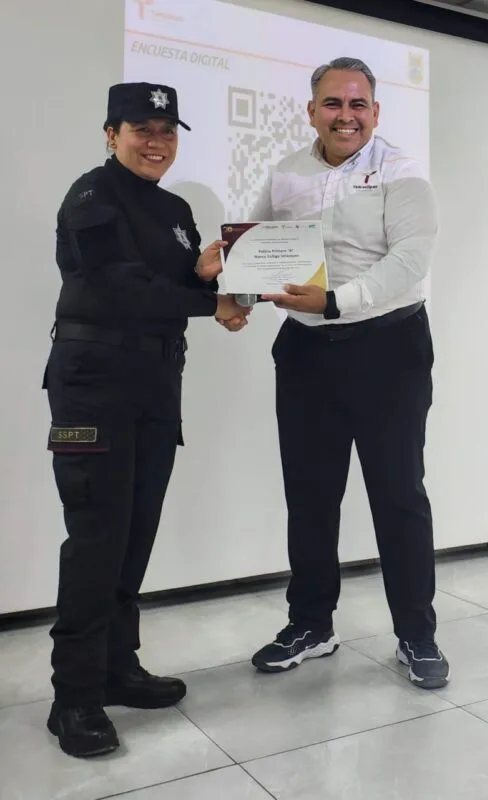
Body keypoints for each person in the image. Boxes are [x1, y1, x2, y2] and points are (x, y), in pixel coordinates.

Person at [43, 81, 247, 758]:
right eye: (141, 129)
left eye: (166, 131)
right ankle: (73, 697)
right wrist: (211, 305)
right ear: (111, 134)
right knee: (97, 534)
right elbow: (116, 286)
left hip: (156, 383)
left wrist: (211, 279)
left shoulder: (174, 208)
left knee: (135, 531)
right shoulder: (92, 196)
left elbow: (174, 287)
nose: (156, 142)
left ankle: (115, 667)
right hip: (92, 385)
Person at [236, 57, 449, 689]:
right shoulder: (287, 171)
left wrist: (335, 301)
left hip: (388, 348)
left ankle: (416, 634)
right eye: (333, 103)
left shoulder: (403, 173)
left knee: (399, 496)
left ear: (375, 112)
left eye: (358, 105)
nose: (346, 116)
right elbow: (254, 244)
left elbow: (410, 259)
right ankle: (311, 624)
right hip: (306, 353)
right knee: (309, 496)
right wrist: (235, 295)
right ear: (312, 111)